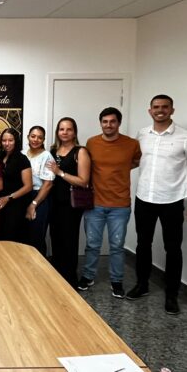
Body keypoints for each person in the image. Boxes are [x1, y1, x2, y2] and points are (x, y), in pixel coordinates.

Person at [127, 95, 187, 315]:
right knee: (143, 244)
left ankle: (172, 295)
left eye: (164, 107)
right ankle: (142, 285)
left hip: (172, 200)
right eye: (156, 107)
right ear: (149, 110)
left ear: (172, 110)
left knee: (172, 248)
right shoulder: (142, 134)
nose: (160, 110)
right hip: (144, 198)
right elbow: (135, 161)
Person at [78, 108, 141, 299]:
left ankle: (117, 281)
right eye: (105, 121)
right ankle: (88, 276)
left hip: (120, 205)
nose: (108, 125)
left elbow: (136, 161)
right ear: (100, 123)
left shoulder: (132, 144)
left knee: (117, 246)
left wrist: (119, 170)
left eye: (112, 121)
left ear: (119, 123)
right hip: (95, 203)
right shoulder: (92, 143)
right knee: (92, 244)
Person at [47, 117, 91, 288]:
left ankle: (69, 280)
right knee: (55, 239)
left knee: (69, 241)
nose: (64, 132)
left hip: (70, 204)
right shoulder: (53, 151)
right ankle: (57, 278)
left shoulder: (80, 152)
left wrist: (60, 173)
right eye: (61, 129)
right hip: (53, 202)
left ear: (74, 132)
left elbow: (83, 181)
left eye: (69, 129)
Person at [0, 128, 33, 242]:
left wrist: (8, 198)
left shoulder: (22, 159)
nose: (7, 143)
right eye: (4, 140)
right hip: (0, 203)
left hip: (16, 203)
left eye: (10, 140)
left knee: (12, 238)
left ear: (16, 141)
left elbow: (28, 186)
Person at [24, 126, 55, 256]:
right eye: (33, 136)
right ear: (28, 137)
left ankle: (40, 266)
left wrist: (34, 204)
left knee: (36, 237)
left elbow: (48, 184)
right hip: (24, 195)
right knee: (24, 236)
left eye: (40, 137)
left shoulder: (46, 156)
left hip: (39, 196)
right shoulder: (22, 153)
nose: (35, 140)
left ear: (43, 140)